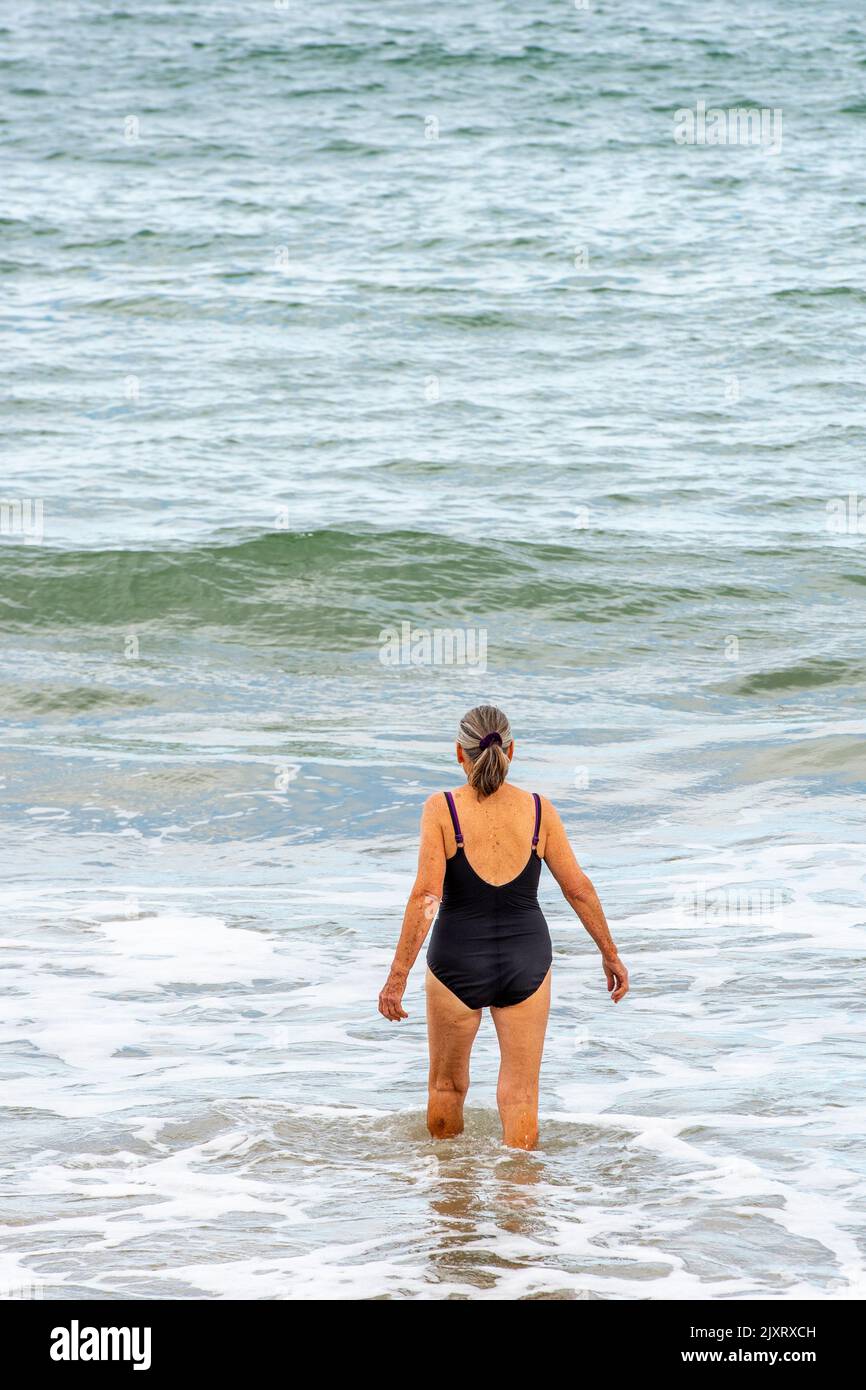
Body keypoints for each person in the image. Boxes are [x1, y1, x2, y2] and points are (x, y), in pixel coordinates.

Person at [378, 703, 628, 1150]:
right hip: (527, 961)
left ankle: (451, 1203)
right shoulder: (538, 809)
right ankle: (520, 1207)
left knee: (447, 1089)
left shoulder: (441, 809)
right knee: (521, 1097)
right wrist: (609, 953)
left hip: (456, 960)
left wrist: (397, 976)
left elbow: (426, 897)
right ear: (512, 749)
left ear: (459, 753)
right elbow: (579, 889)